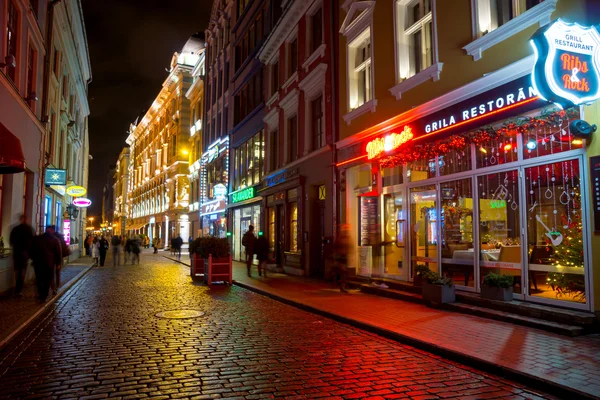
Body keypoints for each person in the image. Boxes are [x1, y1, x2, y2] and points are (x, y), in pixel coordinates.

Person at [31, 227, 62, 302]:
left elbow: (31, 249)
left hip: (38, 262)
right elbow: (58, 252)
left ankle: (40, 293)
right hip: (49, 263)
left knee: (39, 278)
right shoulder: (55, 240)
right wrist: (58, 263)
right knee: (47, 279)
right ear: (52, 231)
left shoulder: (37, 238)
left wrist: (33, 259)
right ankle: (44, 295)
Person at [9, 214, 34, 297]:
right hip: (25, 254)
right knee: (22, 271)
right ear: (25, 219)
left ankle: (17, 288)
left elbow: (11, 241)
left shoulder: (15, 229)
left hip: (16, 253)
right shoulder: (29, 229)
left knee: (17, 271)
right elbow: (32, 241)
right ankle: (19, 289)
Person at [47, 225, 71, 295]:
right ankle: (55, 286)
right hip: (57, 257)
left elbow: (61, 248)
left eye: (49, 230)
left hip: (54, 257)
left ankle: (54, 287)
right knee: (56, 272)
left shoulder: (55, 238)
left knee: (53, 273)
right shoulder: (60, 237)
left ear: (52, 230)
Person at [332, 225, 352, 293]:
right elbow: (335, 247)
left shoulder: (347, 238)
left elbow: (350, 246)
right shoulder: (340, 238)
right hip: (340, 256)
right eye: (345, 231)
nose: (346, 232)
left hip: (345, 256)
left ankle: (342, 285)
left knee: (343, 272)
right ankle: (342, 285)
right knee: (343, 271)